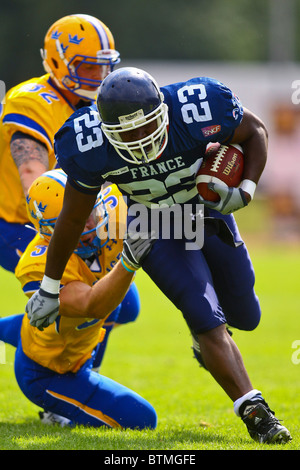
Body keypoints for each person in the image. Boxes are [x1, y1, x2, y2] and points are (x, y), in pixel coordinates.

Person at [25, 67, 291, 443]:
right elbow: (72, 217)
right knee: (203, 314)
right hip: (155, 225)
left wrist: (246, 189)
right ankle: (256, 413)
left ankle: (210, 342)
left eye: (146, 126)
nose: (137, 139)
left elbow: (255, 131)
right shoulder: (88, 143)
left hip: (207, 210)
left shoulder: (199, 107)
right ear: (106, 130)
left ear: (164, 112)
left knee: (246, 317)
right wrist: (49, 287)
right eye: (125, 133)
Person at [0, 168, 156, 429]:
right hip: (49, 370)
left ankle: (14, 330)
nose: (90, 225)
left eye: (89, 211)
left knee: (129, 305)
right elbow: (93, 306)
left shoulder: (112, 203)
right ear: (50, 232)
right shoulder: (36, 266)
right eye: (74, 219)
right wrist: (128, 262)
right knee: (142, 420)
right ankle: (55, 405)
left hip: (70, 337)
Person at [0, 13, 120, 272]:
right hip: (18, 221)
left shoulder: (94, 105)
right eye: (89, 67)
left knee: (123, 306)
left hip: (74, 216)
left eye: (104, 66)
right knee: (77, 302)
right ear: (57, 62)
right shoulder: (31, 101)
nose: (100, 76)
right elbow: (34, 179)